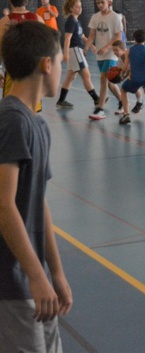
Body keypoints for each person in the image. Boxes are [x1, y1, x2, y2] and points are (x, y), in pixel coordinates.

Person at [0, 21, 73, 351]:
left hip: (32, 278)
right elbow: (4, 204)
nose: (62, 67)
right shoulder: (12, 120)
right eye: (60, 60)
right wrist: (36, 275)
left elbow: (38, 202)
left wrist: (54, 272)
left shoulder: (38, 124)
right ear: (47, 64)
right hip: (11, 283)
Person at [0, 0, 45, 108]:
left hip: (13, 70)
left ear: (10, 1)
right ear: (26, 1)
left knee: (11, 107)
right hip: (33, 69)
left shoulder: (5, 21)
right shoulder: (38, 19)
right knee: (32, 109)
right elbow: (46, 48)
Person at [85, 0, 124, 120]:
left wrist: (107, 47)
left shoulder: (115, 17)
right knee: (110, 83)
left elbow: (118, 36)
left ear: (109, 2)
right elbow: (92, 35)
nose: (100, 5)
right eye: (98, 3)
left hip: (111, 53)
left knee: (103, 79)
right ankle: (123, 102)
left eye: (102, 2)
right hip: (99, 54)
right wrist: (85, 48)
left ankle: (100, 109)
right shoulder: (95, 17)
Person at [57, 0, 101, 110]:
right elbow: (67, 38)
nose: (80, 8)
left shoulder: (77, 21)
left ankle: (61, 101)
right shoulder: (70, 21)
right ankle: (97, 99)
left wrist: (91, 45)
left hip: (78, 50)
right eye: (77, 6)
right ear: (71, 8)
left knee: (71, 77)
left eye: (80, 6)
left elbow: (82, 36)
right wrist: (65, 54)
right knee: (86, 75)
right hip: (75, 50)